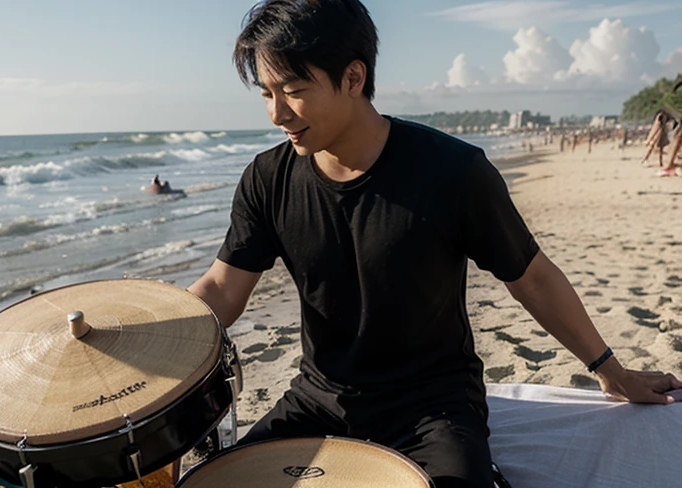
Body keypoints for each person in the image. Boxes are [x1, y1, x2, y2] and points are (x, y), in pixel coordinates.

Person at [187, 1, 682, 486]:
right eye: (266, 93)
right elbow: (222, 289)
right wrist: (144, 330)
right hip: (318, 398)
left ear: (354, 78)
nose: (277, 113)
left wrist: (610, 371)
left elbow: (532, 277)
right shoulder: (268, 178)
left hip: (432, 407)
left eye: (293, 90)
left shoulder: (452, 171)